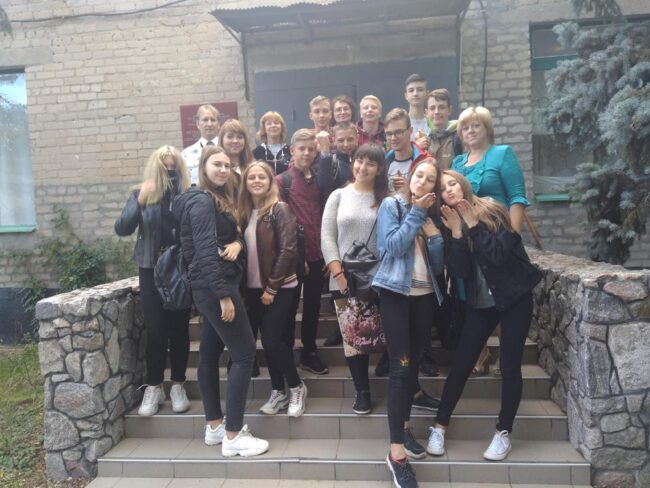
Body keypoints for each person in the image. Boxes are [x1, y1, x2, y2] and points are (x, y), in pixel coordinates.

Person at [427, 170, 542, 462]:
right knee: (462, 364)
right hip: (481, 303)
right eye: (443, 188)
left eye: (452, 183)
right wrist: (456, 233)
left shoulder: (492, 209)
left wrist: (474, 225)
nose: (449, 190)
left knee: (510, 365)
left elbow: (498, 256)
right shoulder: (450, 221)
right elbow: (459, 272)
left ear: (463, 184)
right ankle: (439, 427)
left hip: (514, 298)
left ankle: (503, 432)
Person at [174, 145, 269, 457]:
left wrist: (238, 243)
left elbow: (228, 237)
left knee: (209, 352)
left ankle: (215, 427)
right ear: (203, 167)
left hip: (210, 286)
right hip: (216, 287)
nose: (224, 170)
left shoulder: (214, 199)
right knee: (243, 354)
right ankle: (233, 435)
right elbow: (204, 252)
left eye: (227, 165)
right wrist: (224, 296)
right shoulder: (202, 201)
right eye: (217, 164)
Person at [372, 159, 444, 488]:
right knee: (400, 369)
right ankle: (396, 454)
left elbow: (438, 266)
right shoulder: (393, 205)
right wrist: (416, 214)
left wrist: (435, 237)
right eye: (419, 175)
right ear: (410, 177)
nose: (423, 182)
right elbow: (391, 247)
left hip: (424, 296)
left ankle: (403, 428)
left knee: (412, 366)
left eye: (430, 179)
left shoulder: (430, 215)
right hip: (397, 295)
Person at [451, 106, 531, 374]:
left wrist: (513, 237)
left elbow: (517, 197)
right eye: (465, 127)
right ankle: (482, 351)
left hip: (499, 240)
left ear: (487, 128)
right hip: (470, 240)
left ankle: (504, 356)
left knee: (502, 295)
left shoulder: (502, 154)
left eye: (476, 125)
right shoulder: (458, 163)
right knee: (474, 295)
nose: (470, 131)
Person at [115, 145, 192, 417]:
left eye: (174, 166)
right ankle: (154, 385)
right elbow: (122, 228)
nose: (169, 171)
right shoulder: (142, 193)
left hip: (179, 269)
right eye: (164, 166)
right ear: (155, 167)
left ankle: (178, 384)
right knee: (156, 329)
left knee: (179, 329)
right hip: (150, 268)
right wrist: (140, 201)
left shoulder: (187, 195)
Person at [321, 143, 388, 414]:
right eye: (359, 160)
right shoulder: (338, 195)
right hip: (345, 278)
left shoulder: (387, 197)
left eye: (371, 163)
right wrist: (338, 273)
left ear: (379, 169)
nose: (363, 167)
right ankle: (362, 391)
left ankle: (392, 369)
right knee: (353, 337)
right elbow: (327, 236)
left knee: (390, 331)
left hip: (380, 279)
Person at [238, 161, 307, 417]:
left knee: (272, 339)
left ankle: (297, 387)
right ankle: (278, 391)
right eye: (251, 177)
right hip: (252, 289)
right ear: (245, 183)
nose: (256, 181)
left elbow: (288, 250)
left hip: (280, 287)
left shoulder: (280, 209)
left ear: (270, 182)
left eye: (262, 177)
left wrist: (272, 287)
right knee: (267, 343)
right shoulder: (243, 213)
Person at [277, 129, 329, 375]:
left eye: (311, 149)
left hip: (318, 253)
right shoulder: (282, 181)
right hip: (294, 256)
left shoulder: (320, 180)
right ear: (292, 150)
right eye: (302, 149)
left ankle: (309, 352)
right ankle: (286, 352)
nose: (306, 153)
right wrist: (299, 256)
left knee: (313, 306)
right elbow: (281, 223)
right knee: (289, 307)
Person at [384, 108, 430, 192]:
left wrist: (408, 189)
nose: (393, 138)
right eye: (389, 134)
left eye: (398, 132)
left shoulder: (425, 161)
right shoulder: (383, 163)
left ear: (410, 131)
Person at [182, 104, 220, 185]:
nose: (209, 124)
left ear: (218, 124)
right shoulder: (186, 154)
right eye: (205, 120)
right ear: (198, 124)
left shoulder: (226, 150)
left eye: (213, 120)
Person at [426, 88, 464, 170]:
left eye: (441, 107)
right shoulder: (426, 140)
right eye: (432, 108)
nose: (436, 112)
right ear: (427, 113)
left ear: (449, 110)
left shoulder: (460, 136)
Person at [404, 74, 430, 146]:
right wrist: (417, 146)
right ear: (406, 96)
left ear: (427, 94)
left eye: (420, 90)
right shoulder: (400, 124)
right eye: (411, 90)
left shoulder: (433, 123)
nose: (415, 93)